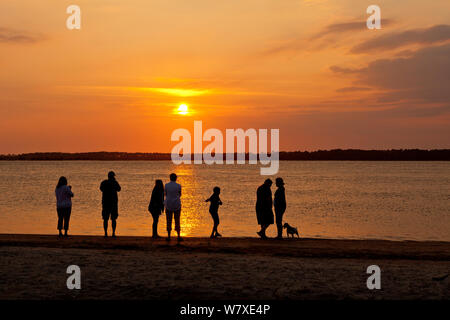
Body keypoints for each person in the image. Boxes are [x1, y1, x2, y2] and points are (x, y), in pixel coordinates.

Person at [100, 171, 121, 238]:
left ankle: (105, 233)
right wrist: (114, 182)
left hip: (105, 203)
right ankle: (113, 233)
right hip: (113, 203)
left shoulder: (104, 182)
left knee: (105, 219)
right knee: (113, 219)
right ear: (113, 176)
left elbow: (101, 189)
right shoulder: (115, 182)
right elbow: (119, 189)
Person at [164, 173, 182, 241]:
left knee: (168, 220)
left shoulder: (166, 185)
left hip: (168, 204)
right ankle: (178, 236)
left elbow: (165, 194)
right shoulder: (178, 185)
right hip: (177, 204)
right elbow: (180, 194)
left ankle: (169, 236)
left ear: (170, 178)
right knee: (177, 220)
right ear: (176, 178)